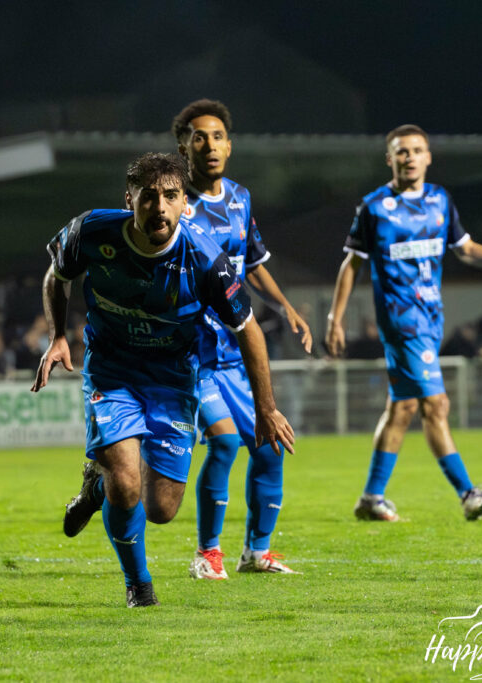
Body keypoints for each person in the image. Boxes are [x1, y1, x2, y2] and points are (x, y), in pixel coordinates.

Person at [35, 153, 294, 607]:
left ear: (183, 204)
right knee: (127, 482)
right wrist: (58, 335)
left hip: (174, 383)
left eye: (171, 196)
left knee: (161, 510)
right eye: (149, 196)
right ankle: (138, 584)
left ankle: (97, 482)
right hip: (112, 373)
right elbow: (57, 277)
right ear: (129, 199)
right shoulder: (91, 231)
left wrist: (266, 408)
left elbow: (249, 330)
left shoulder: (206, 259)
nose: (159, 206)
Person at [325, 124, 482, 522]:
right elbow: (353, 263)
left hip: (431, 318)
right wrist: (336, 316)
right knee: (436, 405)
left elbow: (463, 247)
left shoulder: (439, 200)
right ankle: (468, 493)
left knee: (402, 409)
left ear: (428, 157)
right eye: (402, 151)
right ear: (390, 159)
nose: (410, 157)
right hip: (402, 322)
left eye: (417, 150)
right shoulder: (373, 207)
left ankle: (371, 499)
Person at [170, 99, 311, 579]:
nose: (208, 145)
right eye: (198, 137)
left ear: (229, 147)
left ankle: (258, 551)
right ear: (184, 146)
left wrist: (286, 306)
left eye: (217, 137)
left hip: (234, 352)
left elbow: (253, 261)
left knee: (270, 446)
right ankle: (207, 554)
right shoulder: (171, 201)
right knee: (225, 444)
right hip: (191, 354)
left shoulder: (239, 198)